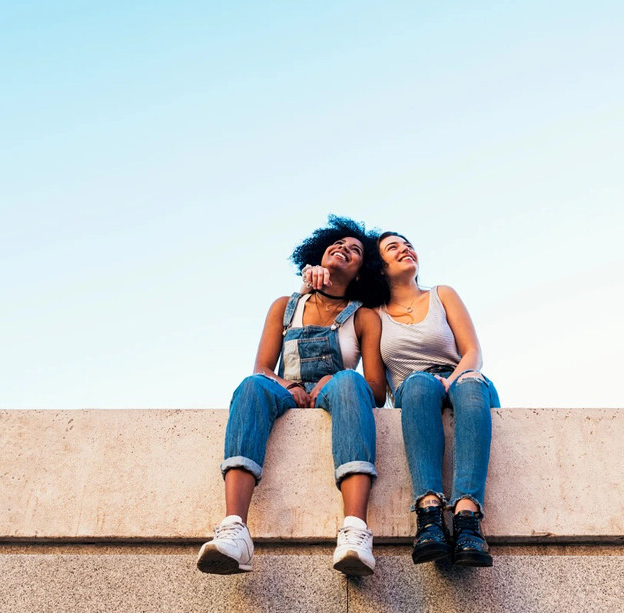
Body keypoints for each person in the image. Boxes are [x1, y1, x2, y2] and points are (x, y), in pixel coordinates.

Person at [197, 216, 388, 577]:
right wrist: (289, 387)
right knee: (251, 386)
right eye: (337, 243)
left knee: (350, 381)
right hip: (286, 389)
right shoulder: (286, 305)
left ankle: (355, 531)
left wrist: (334, 377)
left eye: (355, 250)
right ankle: (235, 529)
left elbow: (376, 390)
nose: (343, 248)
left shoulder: (364, 317)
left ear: (362, 272)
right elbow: (262, 368)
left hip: (336, 390)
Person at [303, 230, 499, 567]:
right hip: (413, 388)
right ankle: (429, 514)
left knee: (469, 384)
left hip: (461, 377)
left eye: (408, 245)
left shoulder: (442, 294)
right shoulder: (372, 314)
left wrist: (451, 380)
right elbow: (326, 306)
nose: (405, 249)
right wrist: (310, 280)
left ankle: (467, 519)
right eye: (393, 247)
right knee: (420, 383)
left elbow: (473, 353)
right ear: (379, 266)